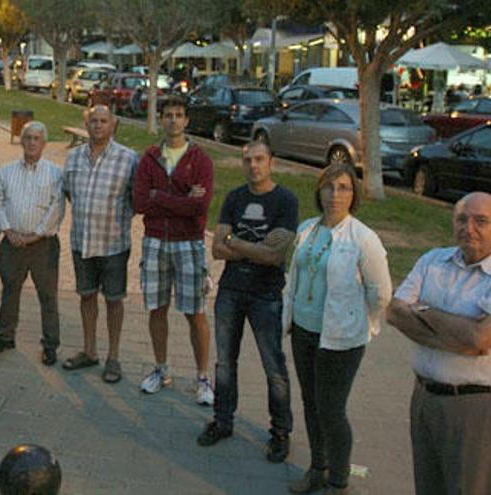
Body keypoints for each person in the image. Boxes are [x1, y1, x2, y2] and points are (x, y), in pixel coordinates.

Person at [283, 164, 392, 494]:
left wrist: (363, 324)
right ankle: (318, 467)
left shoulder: (363, 238)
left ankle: (338, 480)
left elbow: (382, 293)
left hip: (341, 339)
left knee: (331, 409)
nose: (335, 194)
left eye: (343, 187)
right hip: (303, 330)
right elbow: (297, 275)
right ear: (319, 191)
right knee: (310, 402)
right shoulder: (307, 229)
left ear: (354, 194)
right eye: (329, 187)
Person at [197, 142, 298, 463]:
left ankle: (280, 432)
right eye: (247, 160)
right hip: (230, 291)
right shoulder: (235, 197)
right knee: (225, 362)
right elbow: (217, 249)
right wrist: (256, 249)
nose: (253, 165)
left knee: (274, 367)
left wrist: (235, 243)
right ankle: (222, 421)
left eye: (259, 159)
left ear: (272, 161)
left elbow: (275, 255)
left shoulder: (285, 200)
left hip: (266, 294)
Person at [387, 192, 491, 495]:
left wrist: (424, 310)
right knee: (427, 487)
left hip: (474, 408)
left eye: (481, 221)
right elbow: (395, 312)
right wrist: (457, 336)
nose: (468, 228)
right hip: (424, 398)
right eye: (462, 219)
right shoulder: (433, 260)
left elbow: (479, 339)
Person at [133, 96, 214, 398]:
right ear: (161, 119)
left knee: (196, 311)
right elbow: (140, 202)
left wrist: (160, 196)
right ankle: (161, 368)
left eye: (179, 115)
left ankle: (203, 377)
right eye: (168, 115)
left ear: (187, 121)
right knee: (157, 308)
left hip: (189, 243)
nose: (173, 120)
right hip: (155, 241)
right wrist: (181, 199)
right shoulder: (150, 157)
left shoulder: (200, 159)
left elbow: (200, 206)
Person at [61, 105, 138, 383]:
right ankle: (90, 350)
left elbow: (135, 199)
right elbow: (69, 193)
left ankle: (113, 357)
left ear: (113, 124)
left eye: (104, 121)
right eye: (93, 121)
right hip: (82, 240)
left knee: (114, 301)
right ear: (86, 123)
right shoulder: (73, 158)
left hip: (113, 243)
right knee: (86, 295)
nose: (98, 126)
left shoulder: (128, 158)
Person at [0, 121, 65, 366]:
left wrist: (36, 235)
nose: (32, 142)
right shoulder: (6, 171)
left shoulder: (55, 173)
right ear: (21, 141)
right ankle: (5, 336)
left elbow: (57, 208)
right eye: (28, 138)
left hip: (43, 245)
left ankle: (50, 344)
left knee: (48, 295)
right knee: (10, 290)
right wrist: (8, 230)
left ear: (44, 143)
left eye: (37, 139)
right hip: (12, 242)